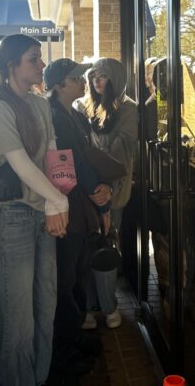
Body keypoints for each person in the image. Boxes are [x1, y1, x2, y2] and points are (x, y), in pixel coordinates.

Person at [0, 34, 69, 386]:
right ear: (11, 63)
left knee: (46, 305)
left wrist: (61, 196)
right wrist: (58, 201)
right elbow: (20, 165)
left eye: (40, 58)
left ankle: (38, 378)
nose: (41, 64)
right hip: (10, 215)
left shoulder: (41, 104)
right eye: (33, 58)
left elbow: (53, 154)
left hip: (43, 210)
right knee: (15, 317)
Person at [44, 59, 111, 375]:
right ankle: (65, 349)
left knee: (79, 270)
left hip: (80, 205)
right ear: (58, 84)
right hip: (67, 207)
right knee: (66, 279)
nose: (83, 82)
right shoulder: (54, 116)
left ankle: (74, 338)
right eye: (75, 78)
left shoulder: (73, 113)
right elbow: (69, 163)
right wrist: (98, 194)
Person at [78, 58, 138, 330]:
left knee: (107, 245)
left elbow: (123, 151)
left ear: (116, 78)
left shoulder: (128, 109)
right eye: (94, 76)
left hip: (114, 188)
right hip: (86, 188)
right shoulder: (84, 107)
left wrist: (106, 181)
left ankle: (109, 306)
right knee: (86, 248)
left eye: (103, 76)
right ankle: (89, 305)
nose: (97, 81)